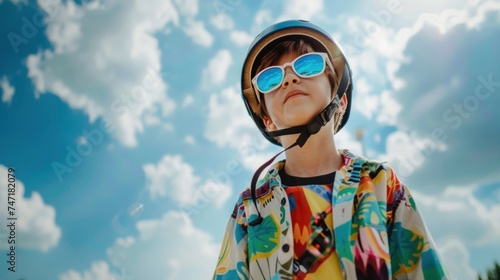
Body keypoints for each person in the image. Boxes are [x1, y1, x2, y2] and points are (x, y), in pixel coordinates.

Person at [213, 20, 448, 279]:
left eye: (308, 65)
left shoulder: (381, 184)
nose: (290, 78)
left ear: (341, 100)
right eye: (270, 79)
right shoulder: (251, 207)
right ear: (267, 121)